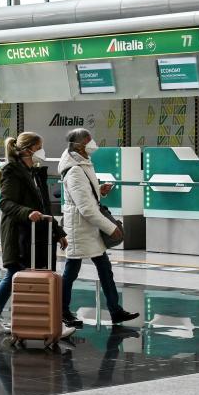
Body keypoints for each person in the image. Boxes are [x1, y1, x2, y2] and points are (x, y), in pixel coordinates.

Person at [0, 131, 75, 339]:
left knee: (26, 274)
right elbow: (5, 203)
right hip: (19, 233)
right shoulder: (13, 172)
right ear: (27, 149)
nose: (42, 151)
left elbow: (44, 205)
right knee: (15, 272)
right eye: (39, 146)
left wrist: (58, 231)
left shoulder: (35, 172)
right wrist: (27, 213)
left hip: (36, 233)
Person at [58, 128, 139, 327]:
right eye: (88, 139)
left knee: (104, 268)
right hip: (80, 228)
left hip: (88, 228)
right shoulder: (75, 170)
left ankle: (115, 310)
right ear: (78, 144)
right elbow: (85, 208)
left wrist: (99, 191)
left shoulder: (82, 163)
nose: (92, 142)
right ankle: (62, 310)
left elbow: (86, 197)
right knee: (71, 271)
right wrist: (111, 228)